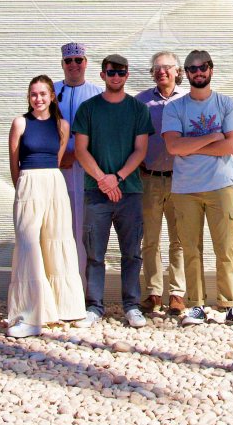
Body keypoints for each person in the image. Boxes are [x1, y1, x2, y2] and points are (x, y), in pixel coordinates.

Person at [161, 49, 233, 326]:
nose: (198, 72)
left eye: (203, 67)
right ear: (185, 73)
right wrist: (213, 136)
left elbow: (232, 145)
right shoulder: (175, 107)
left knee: (225, 247)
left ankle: (231, 305)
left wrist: (193, 145)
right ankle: (196, 305)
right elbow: (173, 146)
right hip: (185, 187)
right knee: (190, 247)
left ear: (211, 70)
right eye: (192, 69)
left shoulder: (226, 104)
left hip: (221, 184)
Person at [6, 75, 87, 337]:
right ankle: (30, 313)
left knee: (59, 241)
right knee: (29, 245)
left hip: (54, 183)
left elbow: (59, 157)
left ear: (52, 95)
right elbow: (14, 162)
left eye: (43, 93)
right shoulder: (20, 122)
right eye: (33, 94)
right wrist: (23, 189)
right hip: (29, 182)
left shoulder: (62, 125)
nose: (38, 99)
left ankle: (66, 308)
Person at [73, 54, 150, 326]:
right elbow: (81, 150)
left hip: (129, 191)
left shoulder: (138, 110)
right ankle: (94, 305)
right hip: (96, 192)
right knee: (95, 253)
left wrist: (116, 177)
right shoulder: (88, 109)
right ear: (103, 74)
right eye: (110, 72)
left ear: (127, 75)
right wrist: (102, 180)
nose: (115, 76)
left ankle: (132, 305)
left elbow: (141, 150)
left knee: (132, 252)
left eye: (121, 72)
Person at [133, 51, 188, 316]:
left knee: (179, 240)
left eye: (167, 67)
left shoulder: (189, 101)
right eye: (157, 68)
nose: (162, 72)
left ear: (178, 71)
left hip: (180, 180)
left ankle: (177, 294)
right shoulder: (140, 102)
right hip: (150, 179)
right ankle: (153, 293)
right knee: (150, 239)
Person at [54, 43, 104, 267]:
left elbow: (102, 131)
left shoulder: (97, 93)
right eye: (68, 61)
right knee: (59, 223)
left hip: (87, 168)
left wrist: (77, 154)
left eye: (78, 60)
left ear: (85, 63)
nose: (73, 65)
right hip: (58, 167)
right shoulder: (52, 92)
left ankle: (85, 285)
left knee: (86, 225)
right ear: (62, 64)